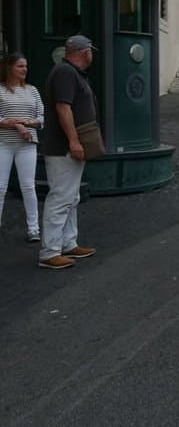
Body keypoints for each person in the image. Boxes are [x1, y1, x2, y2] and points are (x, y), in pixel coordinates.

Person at [38, 35, 99, 270]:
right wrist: (74, 141)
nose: (91, 55)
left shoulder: (69, 72)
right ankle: (50, 251)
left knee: (70, 197)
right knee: (61, 196)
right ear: (85, 52)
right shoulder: (65, 73)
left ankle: (67, 242)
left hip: (67, 146)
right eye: (91, 51)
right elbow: (63, 108)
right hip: (63, 147)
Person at [0, 53, 44, 242]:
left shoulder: (33, 90)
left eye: (25, 66)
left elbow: (41, 118)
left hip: (27, 145)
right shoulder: (0, 90)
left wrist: (25, 122)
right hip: (4, 143)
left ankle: (33, 229)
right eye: (20, 66)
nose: (24, 69)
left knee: (28, 186)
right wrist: (17, 126)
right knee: (0, 187)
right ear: (9, 68)